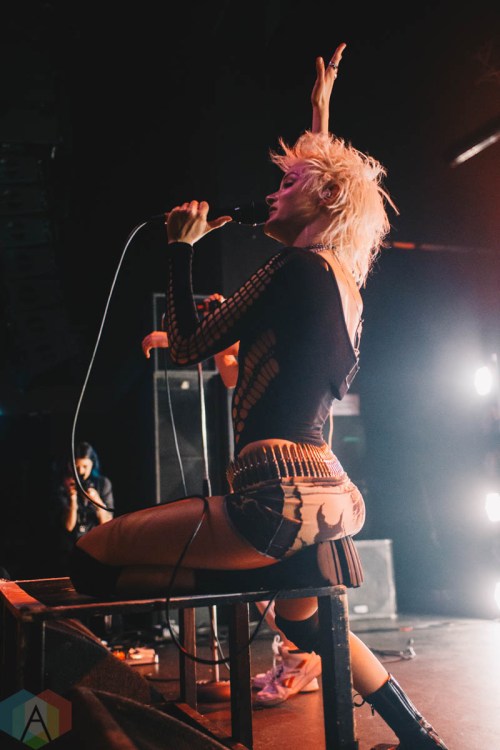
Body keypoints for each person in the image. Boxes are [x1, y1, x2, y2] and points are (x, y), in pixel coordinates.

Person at [70, 42, 448, 749]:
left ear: (323, 198)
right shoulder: (343, 285)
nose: (273, 193)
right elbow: (332, 181)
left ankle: (172, 665)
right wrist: (320, 111)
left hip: (276, 495)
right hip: (331, 499)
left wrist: (181, 247)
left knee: (90, 560)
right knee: (305, 621)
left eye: (288, 183)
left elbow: (189, 346)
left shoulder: (293, 268)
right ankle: (418, 735)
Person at [56, 441, 114, 572]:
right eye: (76, 466)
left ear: (92, 464)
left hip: (96, 547)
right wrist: (72, 499)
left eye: (84, 466)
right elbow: (68, 526)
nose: (80, 471)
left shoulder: (103, 484)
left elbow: (107, 523)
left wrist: (97, 501)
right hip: (70, 548)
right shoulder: (63, 486)